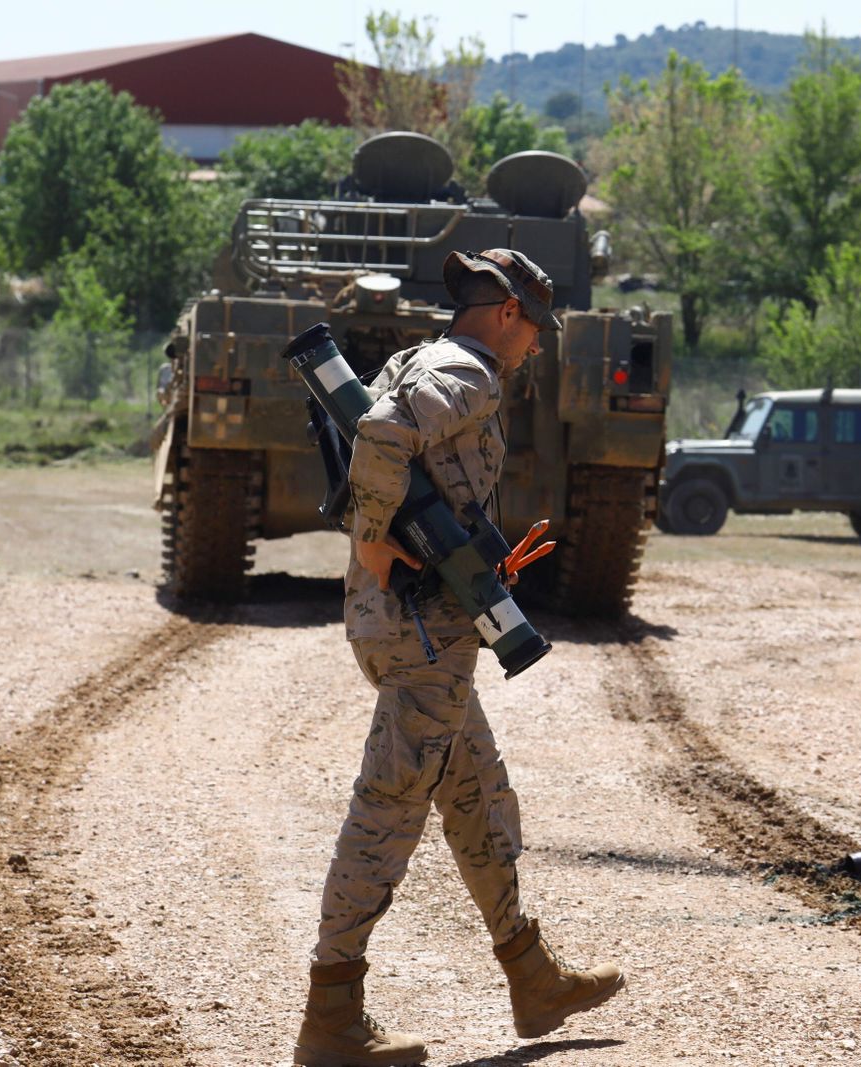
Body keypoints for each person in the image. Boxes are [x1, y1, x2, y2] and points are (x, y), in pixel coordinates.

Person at [293, 249, 625, 1067]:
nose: (538, 345)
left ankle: (532, 974)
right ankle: (332, 1013)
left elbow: (393, 449)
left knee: (477, 793)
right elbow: (380, 433)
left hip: (418, 626)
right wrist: (373, 540)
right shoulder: (465, 370)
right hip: (422, 634)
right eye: (536, 328)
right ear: (507, 312)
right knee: (388, 810)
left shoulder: (424, 359)